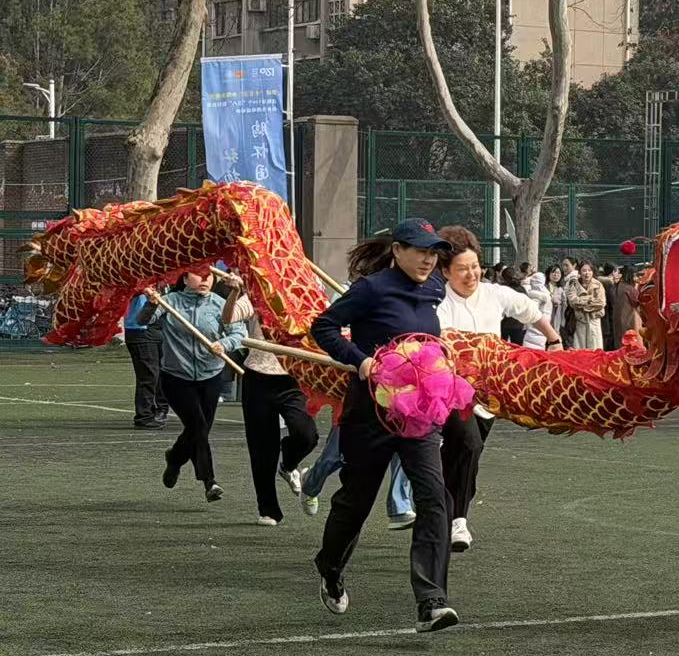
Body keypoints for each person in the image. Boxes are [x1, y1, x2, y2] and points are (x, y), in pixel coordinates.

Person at [310, 219, 460, 633]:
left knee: (434, 497)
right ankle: (329, 567)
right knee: (356, 502)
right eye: (420, 251)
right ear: (397, 250)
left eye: (434, 253)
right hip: (370, 415)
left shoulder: (434, 288)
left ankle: (432, 601)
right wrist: (360, 360)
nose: (429, 259)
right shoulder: (372, 289)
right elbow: (322, 326)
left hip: (418, 417)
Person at [435, 226, 560, 552]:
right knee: (469, 444)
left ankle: (441, 505)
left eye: (475, 266)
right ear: (446, 271)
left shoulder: (494, 294)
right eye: (462, 269)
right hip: (451, 392)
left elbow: (530, 312)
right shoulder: (438, 301)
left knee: (465, 456)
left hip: (490, 395)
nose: (471, 274)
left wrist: (554, 339)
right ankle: (457, 520)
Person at [142, 267, 248, 501]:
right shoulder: (170, 301)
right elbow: (143, 321)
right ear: (184, 277)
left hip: (211, 376)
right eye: (198, 275)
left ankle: (175, 458)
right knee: (198, 426)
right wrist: (151, 303)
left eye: (209, 275)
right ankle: (209, 481)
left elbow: (239, 334)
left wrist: (224, 344)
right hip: (176, 378)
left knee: (199, 430)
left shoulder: (220, 304)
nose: (204, 280)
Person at [221, 273, 319, 526]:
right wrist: (235, 292)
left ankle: (288, 465)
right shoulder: (257, 292)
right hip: (258, 378)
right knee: (262, 448)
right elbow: (228, 318)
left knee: (306, 434)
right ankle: (268, 509)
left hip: (293, 377)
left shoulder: (306, 291)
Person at [122, 288, 169, 428]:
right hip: (139, 330)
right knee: (148, 375)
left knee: (162, 372)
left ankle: (160, 409)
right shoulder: (136, 282)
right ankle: (144, 416)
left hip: (158, 329)